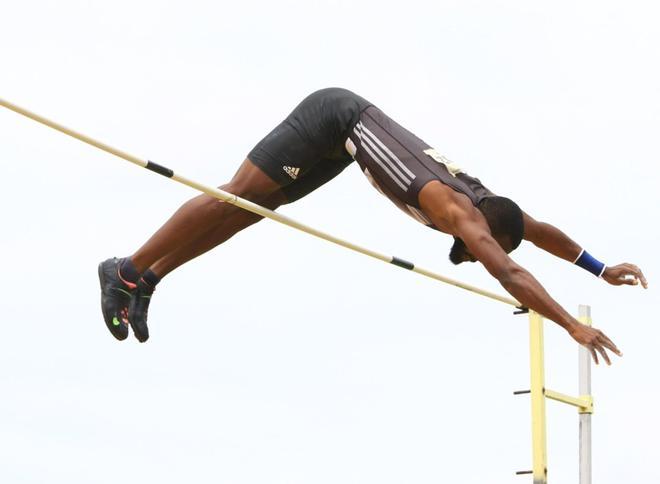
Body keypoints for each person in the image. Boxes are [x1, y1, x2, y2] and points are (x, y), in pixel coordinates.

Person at [98, 87, 647, 363]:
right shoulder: (461, 213)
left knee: (250, 215)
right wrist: (570, 326)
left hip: (339, 146)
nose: (477, 253)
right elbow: (509, 272)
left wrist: (598, 270)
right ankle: (125, 268)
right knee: (234, 197)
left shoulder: (494, 210)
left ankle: (149, 277)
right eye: (481, 248)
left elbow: (542, 232)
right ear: (481, 233)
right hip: (331, 117)